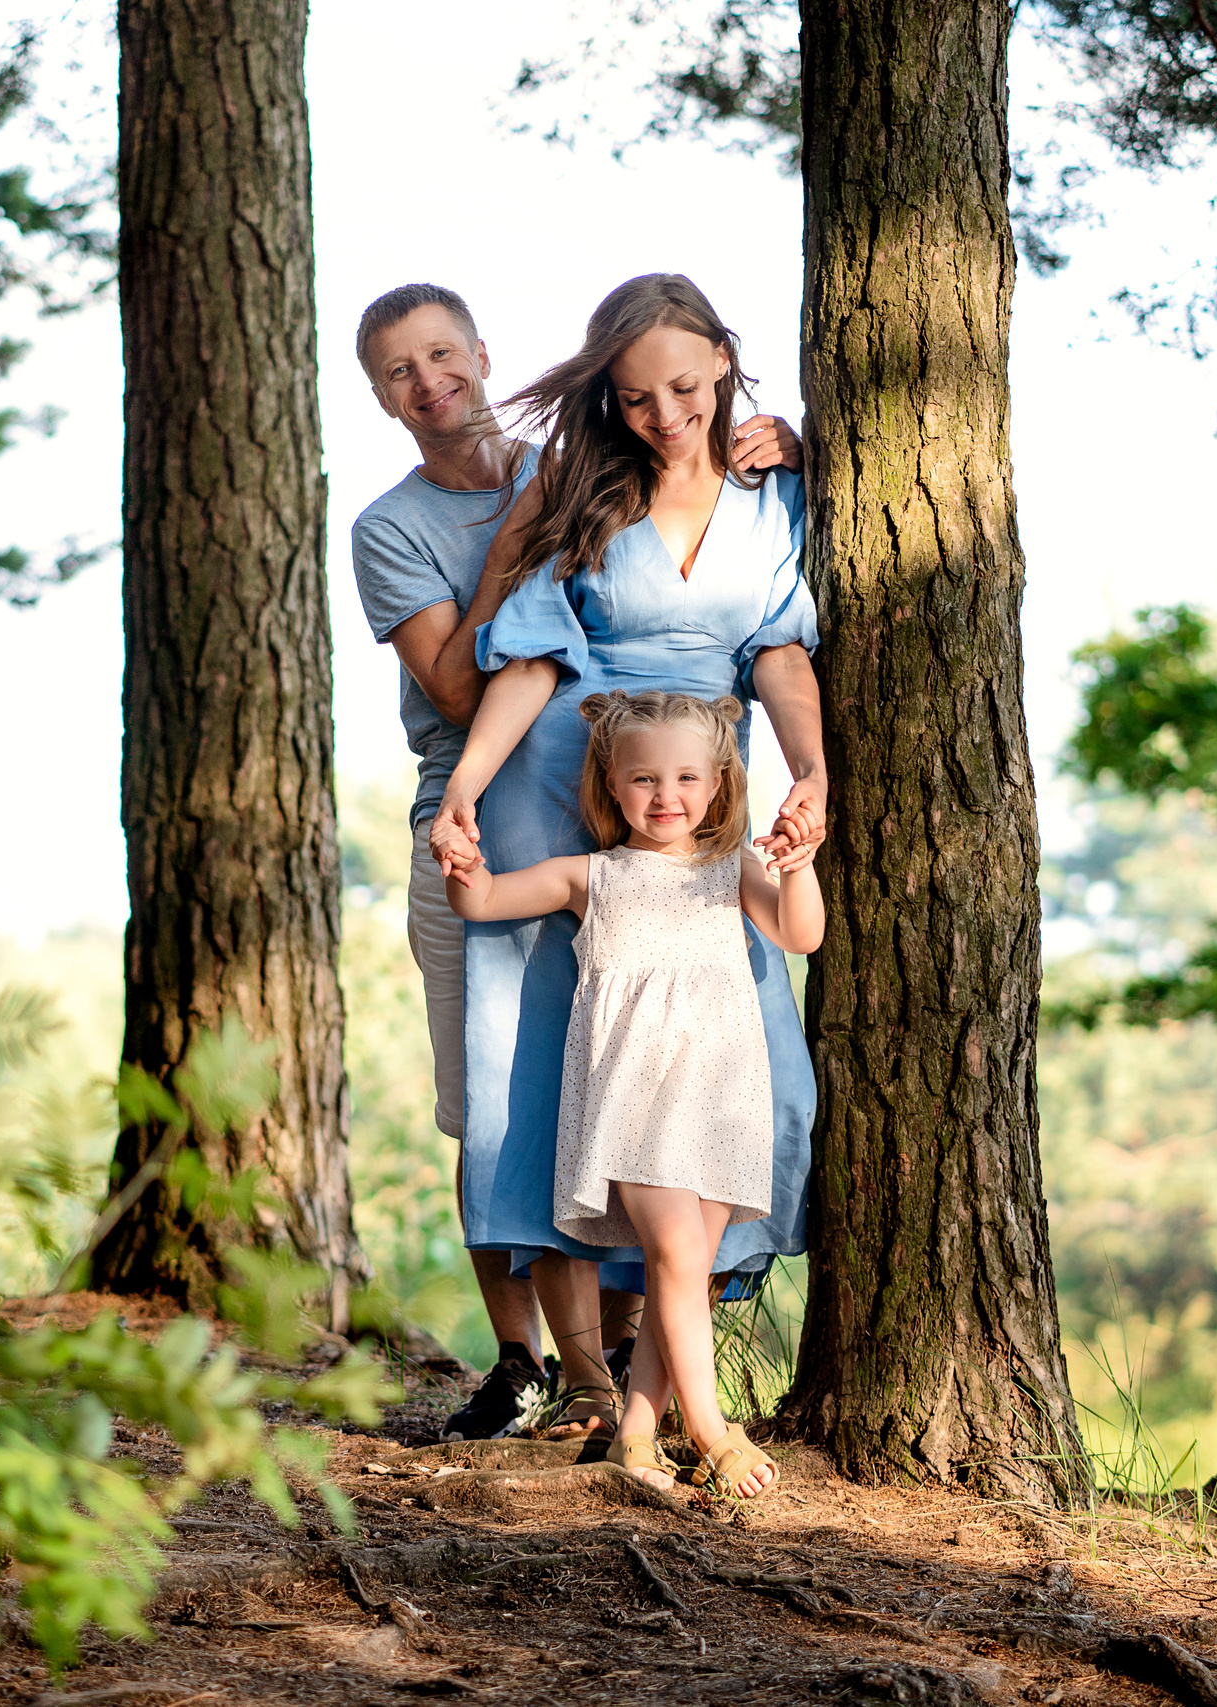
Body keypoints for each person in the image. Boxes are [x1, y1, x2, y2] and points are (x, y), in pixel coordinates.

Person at [349, 282, 802, 1438]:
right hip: (549, 780)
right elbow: (492, 674)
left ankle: (655, 1367)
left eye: (687, 390)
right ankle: (568, 1376)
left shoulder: (772, 487)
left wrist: (815, 772)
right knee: (539, 1065)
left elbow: (782, 650)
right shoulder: (485, 509)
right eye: (636, 396)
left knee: (719, 1053)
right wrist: (465, 787)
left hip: (688, 785)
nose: (665, 414)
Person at [444, 690, 820, 1497]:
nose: (666, 796)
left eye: (687, 777)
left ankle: (639, 1434)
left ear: (719, 784)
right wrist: (462, 860)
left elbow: (801, 933)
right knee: (679, 1255)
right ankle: (713, 1429)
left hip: (721, 1096)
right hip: (635, 1102)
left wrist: (800, 867)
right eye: (643, 778)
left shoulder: (732, 872)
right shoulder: (592, 875)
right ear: (609, 785)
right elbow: (483, 901)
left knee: (677, 1268)